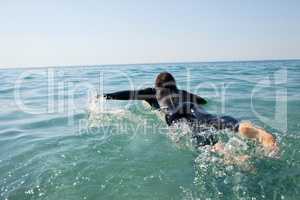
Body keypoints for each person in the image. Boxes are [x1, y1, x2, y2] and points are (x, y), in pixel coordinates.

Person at [99, 72, 278, 154]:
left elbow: (127, 94)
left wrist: (105, 96)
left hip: (177, 118)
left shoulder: (152, 92)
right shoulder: (184, 93)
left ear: (156, 86)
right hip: (195, 110)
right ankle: (244, 128)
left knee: (203, 139)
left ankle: (230, 155)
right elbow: (203, 101)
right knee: (213, 120)